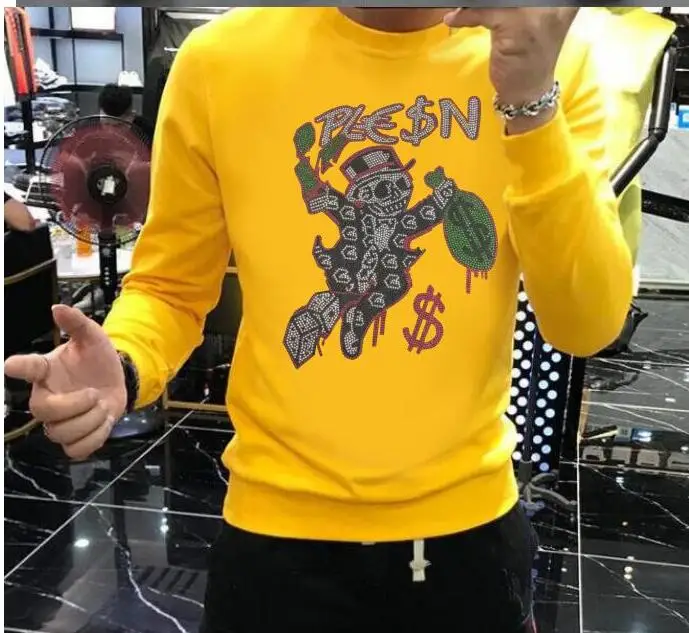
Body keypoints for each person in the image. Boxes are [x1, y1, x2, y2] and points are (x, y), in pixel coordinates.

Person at [5, 8, 632, 633]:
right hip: (276, 537)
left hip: (468, 531)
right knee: (339, 305)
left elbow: (588, 323)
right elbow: (170, 286)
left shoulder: (545, 56)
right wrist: (122, 359)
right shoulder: (223, 62)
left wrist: (530, 106)